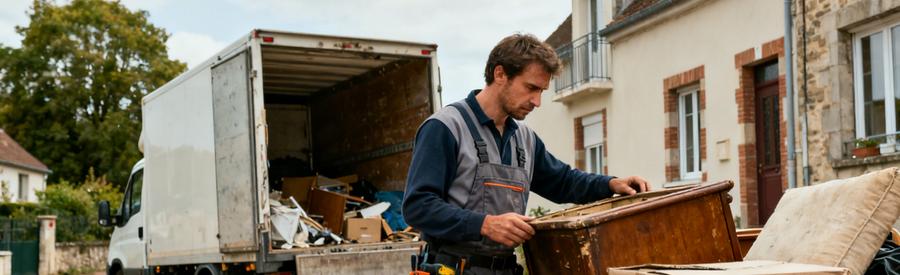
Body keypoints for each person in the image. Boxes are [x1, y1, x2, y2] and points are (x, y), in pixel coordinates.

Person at [402, 33, 650, 275]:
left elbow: (564, 182)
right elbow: (418, 206)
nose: (537, 101)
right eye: (531, 88)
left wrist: (610, 184)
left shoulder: (525, 139)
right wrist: (484, 224)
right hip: (451, 268)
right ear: (500, 74)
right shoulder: (445, 128)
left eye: (542, 91)